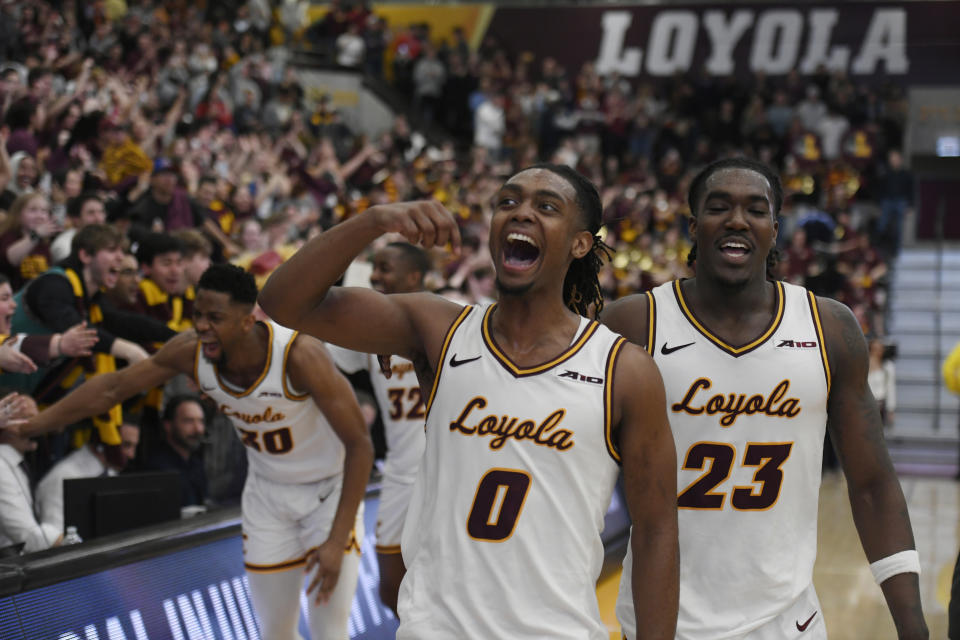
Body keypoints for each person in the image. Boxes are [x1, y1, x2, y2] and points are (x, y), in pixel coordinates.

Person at [259, 163, 679, 638]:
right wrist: (372, 221)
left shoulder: (624, 369)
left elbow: (657, 527)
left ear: (580, 243)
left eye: (546, 207)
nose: (520, 213)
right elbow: (284, 303)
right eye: (507, 202)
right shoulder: (438, 327)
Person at [603, 157, 927, 639]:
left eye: (755, 209)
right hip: (659, 623)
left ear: (775, 230)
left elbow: (872, 485)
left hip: (787, 623)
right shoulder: (633, 325)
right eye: (719, 207)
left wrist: (912, 626)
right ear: (694, 226)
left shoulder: (829, 328)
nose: (737, 220)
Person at [18, 263, 373, 640]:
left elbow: (360, 445)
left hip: (327, 495)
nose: (202, 326)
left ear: (246, 319)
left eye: (215, 317)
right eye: (197, 315)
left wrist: (337, 539)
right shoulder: (191, 352)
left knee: (329, 632)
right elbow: (111, 390)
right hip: (267, 495)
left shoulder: (300, 356)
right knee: (275, 633)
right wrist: (33, 424)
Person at [326, 241, 432, 614]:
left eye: (385, 268)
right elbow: (322, 349)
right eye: (375, 268)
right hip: (401, 473)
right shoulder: (370, 332)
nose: (376, 276)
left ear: (413, 276)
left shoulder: (454, 320)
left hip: (451, 472)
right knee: (390, 588)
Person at [35, 420, 140, 533]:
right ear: (104, 441)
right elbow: (55, 537)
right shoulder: (62, 478)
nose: (131, 455)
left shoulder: (109, 471)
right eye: (126, 445)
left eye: (134, 447)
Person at [0, 390, 59, 553]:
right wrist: (70, 541)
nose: (38, 425)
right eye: (28, 419)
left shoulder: (18, 463)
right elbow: (28, 535)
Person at [144, 395, 206, 506]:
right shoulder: (157, 469)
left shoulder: (195, 462)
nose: (198, 429)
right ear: (168, 425)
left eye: (200, 421)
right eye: (188, 421)